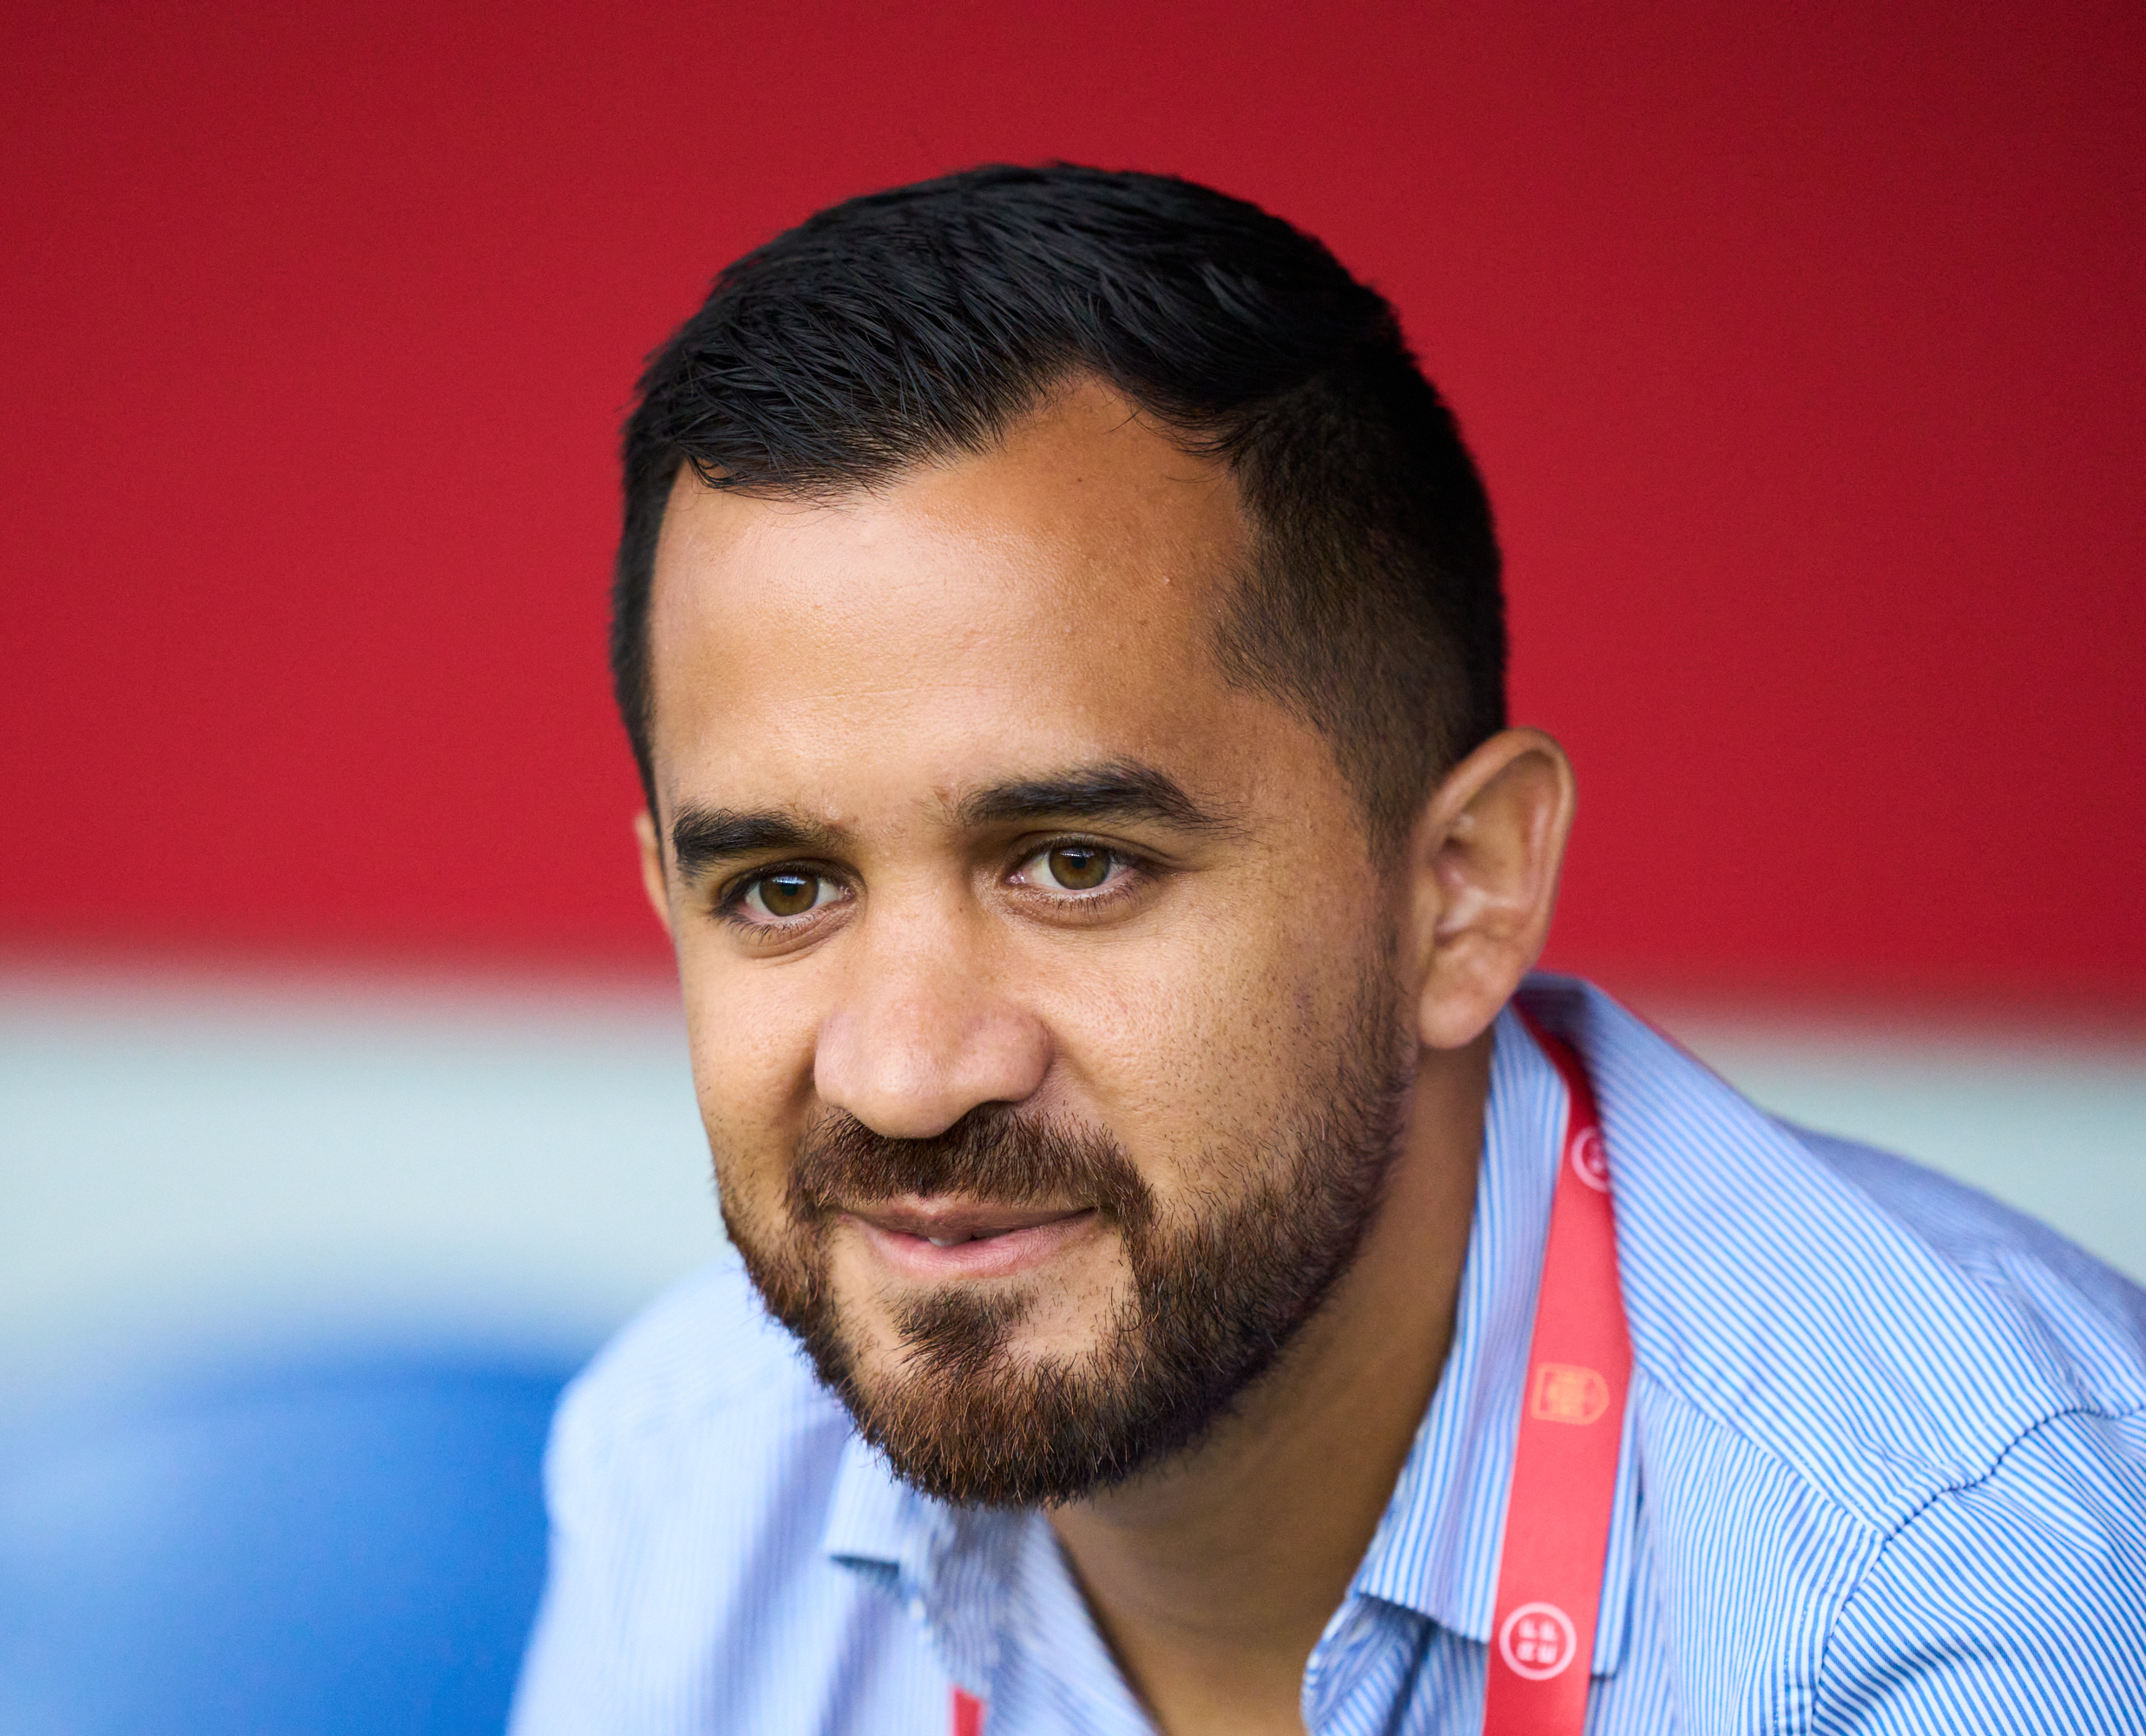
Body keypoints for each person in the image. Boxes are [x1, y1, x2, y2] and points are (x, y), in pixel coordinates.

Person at [509, 165, 2146, 1734]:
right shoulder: (688, 1480)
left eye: (1075, 864)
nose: (908, 1074)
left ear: (1463, 894)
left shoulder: (1966, 1584)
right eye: (783, 891)